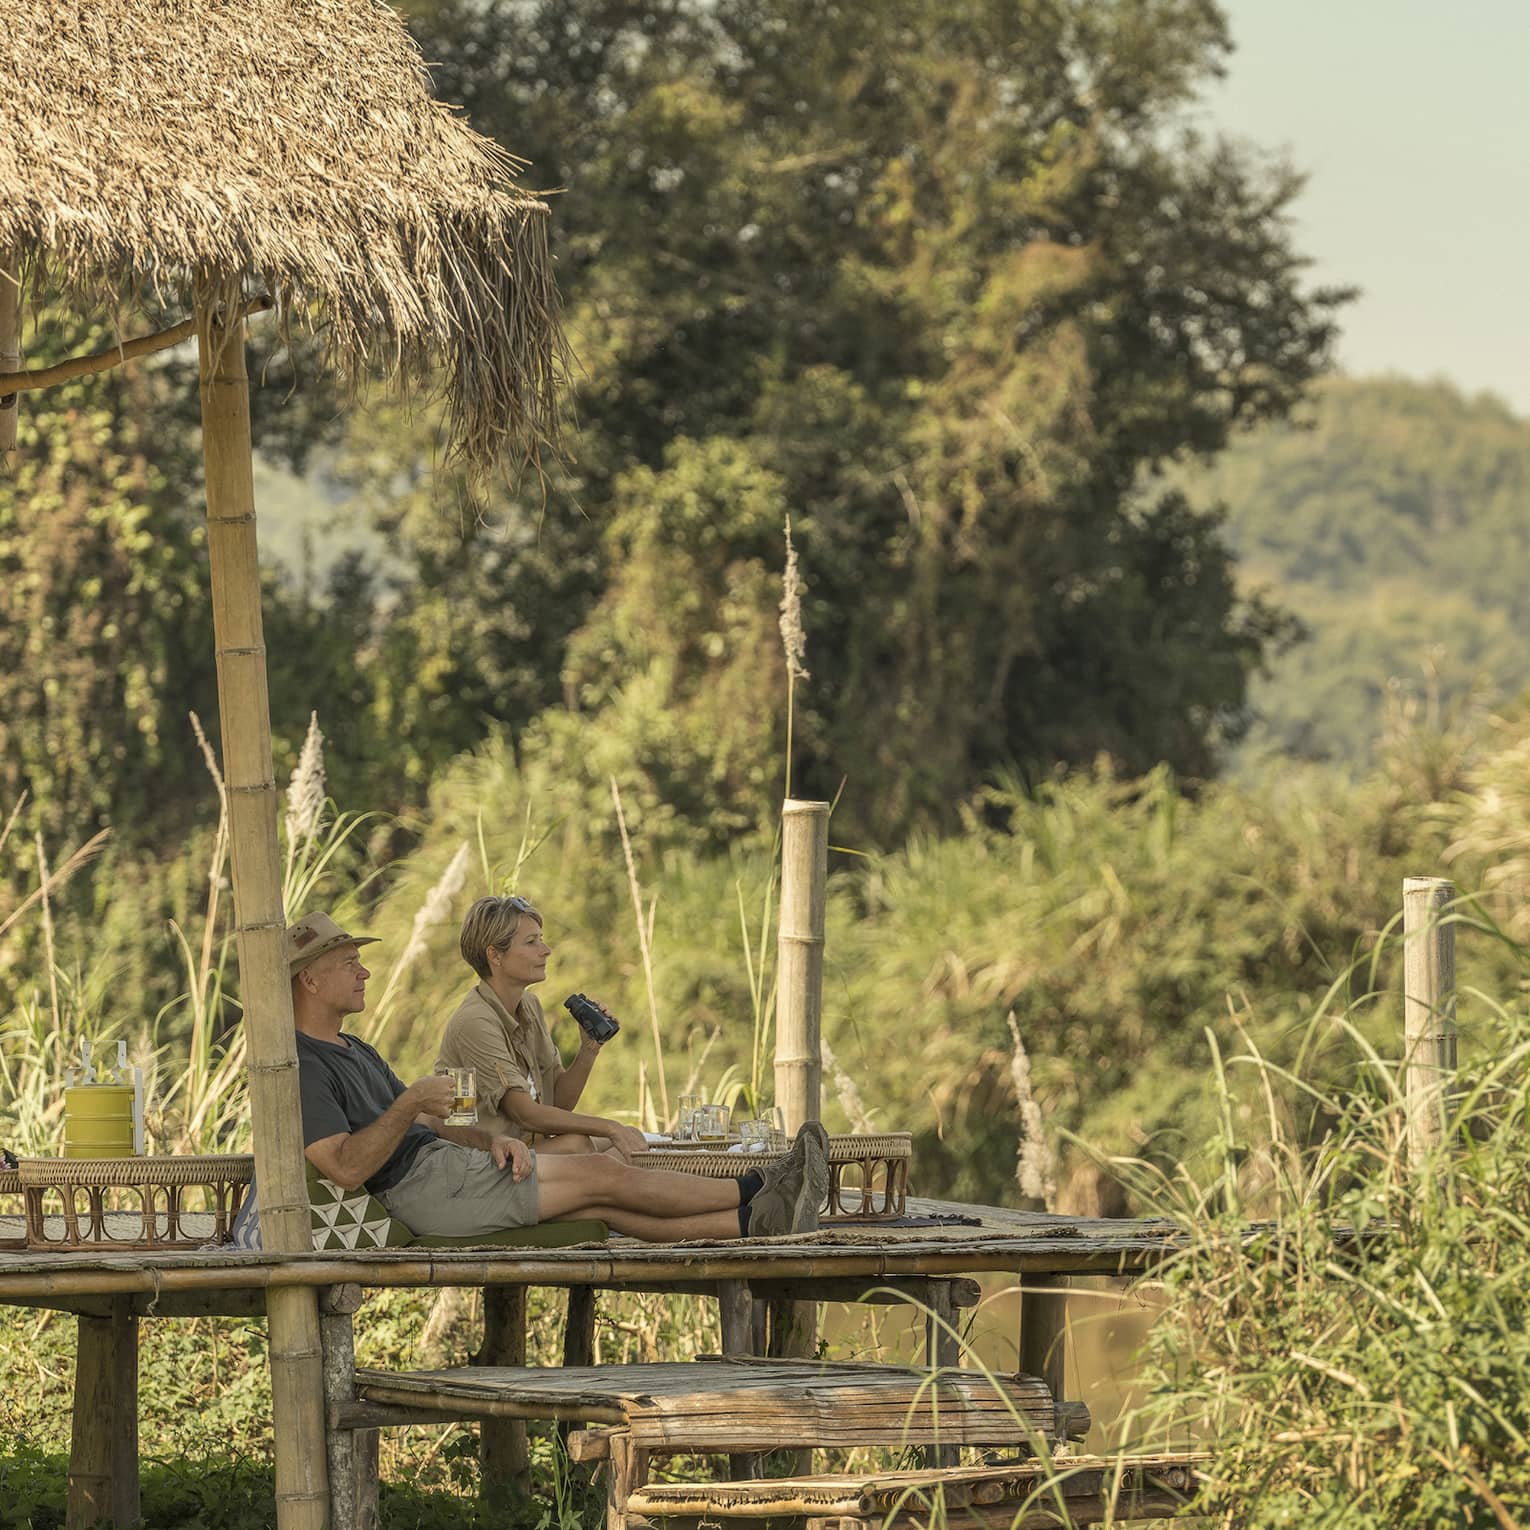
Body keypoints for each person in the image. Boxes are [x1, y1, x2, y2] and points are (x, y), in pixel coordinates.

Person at [286, 911, 826, 1241]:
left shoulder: (355, 1047)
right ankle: (760, 1186)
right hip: (421, 1190)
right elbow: (344, 1167)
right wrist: (411, 1107)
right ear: (309, 980)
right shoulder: (305, 1065)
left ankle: (753, 1223)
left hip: (448, 1166)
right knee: (603, 1172)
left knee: (599, 1200)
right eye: (349, 963)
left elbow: (433, 1123)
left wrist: (486, 1142)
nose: (365, 972)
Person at [435, 894, 643, 1160]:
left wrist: (589, 1049)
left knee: (631, 1138)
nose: (546, 950)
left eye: (541, 939)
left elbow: (558, 1104)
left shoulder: (529, 1006)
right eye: (532, 942)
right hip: (485, 1158)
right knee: (580, 1145)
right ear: (495, 956)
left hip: (529, 1150)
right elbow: (524, 1113)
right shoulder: (475, 1022)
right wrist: (610, 1127)